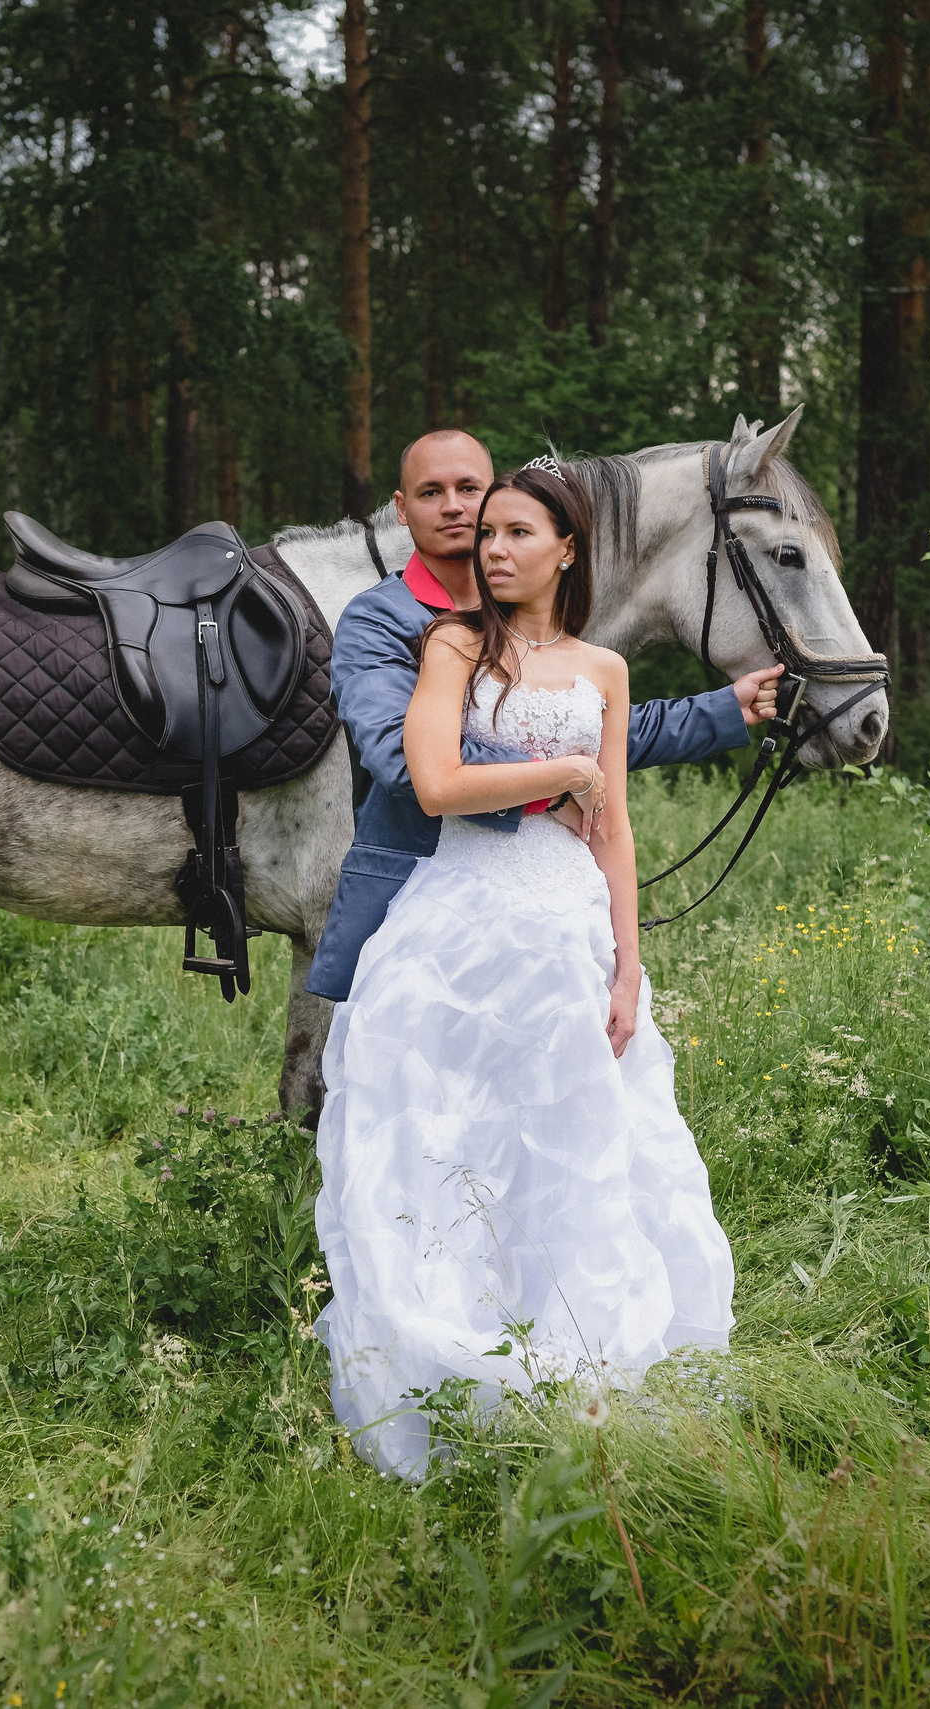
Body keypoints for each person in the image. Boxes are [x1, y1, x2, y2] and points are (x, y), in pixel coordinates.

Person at [312, 458, 735, 1479]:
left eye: (513, 533)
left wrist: (628, 969)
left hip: (567, 928)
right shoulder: (454, 644)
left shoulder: (604, 670)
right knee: (453, 1137)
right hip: (460, 923)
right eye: (485, 532)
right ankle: (448, 1360)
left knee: (573, 1140)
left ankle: (573, 1359)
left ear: (567, 550)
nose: (491, 549)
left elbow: (615, 831)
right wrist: (562, 770)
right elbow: (435, 779)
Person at [304, 429, 782, 1003]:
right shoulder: (378, 620)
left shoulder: (535, 620)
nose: (453, 506)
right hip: (420, 886)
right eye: (431, 492)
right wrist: (554, 789)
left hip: (546, 893)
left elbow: (584, 732)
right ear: (402, 511)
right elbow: (400, 760)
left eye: (468, 489)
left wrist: (721, 710)